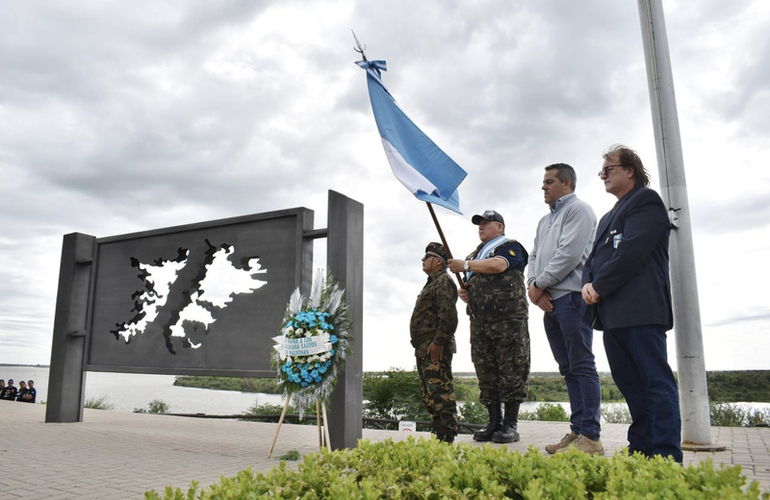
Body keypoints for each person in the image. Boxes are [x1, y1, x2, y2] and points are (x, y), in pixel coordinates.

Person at [582, 144, 682, 462]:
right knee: (631, 387)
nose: (603, 176)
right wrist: (587, 283)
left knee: (655, 382)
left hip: (641, 311)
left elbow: (633, 250)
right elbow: (595, 258)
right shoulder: (608, 216)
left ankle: (666, 454)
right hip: (611, 316)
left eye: (608, 169)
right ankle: (641, 449)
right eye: (602, 171)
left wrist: (599, 285)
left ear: (630, 171)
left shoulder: (646, 202)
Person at [527, 163, 604, 455]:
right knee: (568, 368)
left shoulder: (579, 210)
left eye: (549, 181)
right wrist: (535, 287)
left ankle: (591, 437)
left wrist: (540, 285)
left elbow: (569, 255)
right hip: (549, 301)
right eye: (543, 182)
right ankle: (577, 431)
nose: (543, 187)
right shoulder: (544, 221)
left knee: (582, 365)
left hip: (571, 299)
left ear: (567, 183)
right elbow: (534, 256)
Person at [448, 210, 530, 443]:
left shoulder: (510, 247)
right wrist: (467, 291)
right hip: (481, 321)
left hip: (508, 320)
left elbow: (498, 266)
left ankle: (510, 425)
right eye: (479, 224)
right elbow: (475, 282)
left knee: (512, 367)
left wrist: (465, 265)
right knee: (486, 370)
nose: (481, 227)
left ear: (500, 228)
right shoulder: (476, 254)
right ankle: (494, 421)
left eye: (486, 223)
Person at [410, 242, 459, 443]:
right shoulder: (433, 282)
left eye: (427, 256)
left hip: (434, 348)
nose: (423, 260)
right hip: (425, 348)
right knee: (431, 395)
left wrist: (438, 342)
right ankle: (439, 433)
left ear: (439, 261)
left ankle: (446, 437)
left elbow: (448, 316)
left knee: (441, 393)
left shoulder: (443, 282)